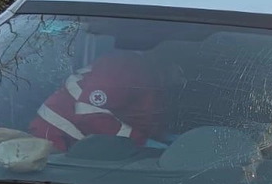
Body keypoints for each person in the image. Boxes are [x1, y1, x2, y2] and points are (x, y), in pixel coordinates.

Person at [28, 50, 181, 152]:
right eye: (182, 72)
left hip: (83, 150)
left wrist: (165, 141)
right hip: (56, 148)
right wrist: (142, 143)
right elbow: (90, 114)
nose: (181, 80)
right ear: (172, 63)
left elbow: (136, 116)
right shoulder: (124, 66)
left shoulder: (152, 80)